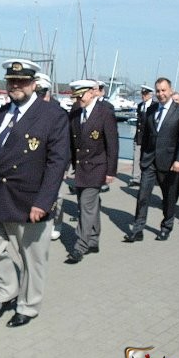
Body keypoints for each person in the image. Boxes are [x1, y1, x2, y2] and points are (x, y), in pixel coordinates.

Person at [0, 59, 69, 327]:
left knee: (32, 260)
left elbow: (57, 163)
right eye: (11, 81)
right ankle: (7, 292)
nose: (16, 85)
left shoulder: (52, 116)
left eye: (22, 81)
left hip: (30, 201)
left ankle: (28, 306)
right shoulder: (0, 114)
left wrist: (44, 201)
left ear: (33, 84)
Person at [124, 77, 179, 243]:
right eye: (158, 91)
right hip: (150, 161)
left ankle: (166, 227)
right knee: (142, 195)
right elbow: (146, 135)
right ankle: (138, 230)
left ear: (171, 91)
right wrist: (142, 158)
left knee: (168, 197)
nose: (161, 94)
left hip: (170, 162)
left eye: (164, 90)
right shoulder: (151, 109)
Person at [65, 80, 118, 264]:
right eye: (76, 96)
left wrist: (111, 171)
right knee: (90, 205)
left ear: (91, 93)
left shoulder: (105, 113)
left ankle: (80, 246)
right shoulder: (76, 112)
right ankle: (93, 240)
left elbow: (112, 144)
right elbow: (71, 142)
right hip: (80, 167)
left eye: (81, 96)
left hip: (97, 166)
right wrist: (67, 166)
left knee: (85, 205)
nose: (78, 100)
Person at [35, 72, 65, 241]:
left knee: (57, 197)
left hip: (54, 162)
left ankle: (56, 223)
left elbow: (65, 143)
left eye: (42, 92)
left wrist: (65, 166)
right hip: (36, 161)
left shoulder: (58, 111)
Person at [130, 85, 154, 186]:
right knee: (136, 158)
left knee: (148, 160)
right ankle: (136, 178)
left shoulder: (155, 106)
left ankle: (145, 178)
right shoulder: (140, 106)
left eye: (145, 94)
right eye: (142, 94)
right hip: (139, 137)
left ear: (150, 95)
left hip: (149, 138)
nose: (143, 96)